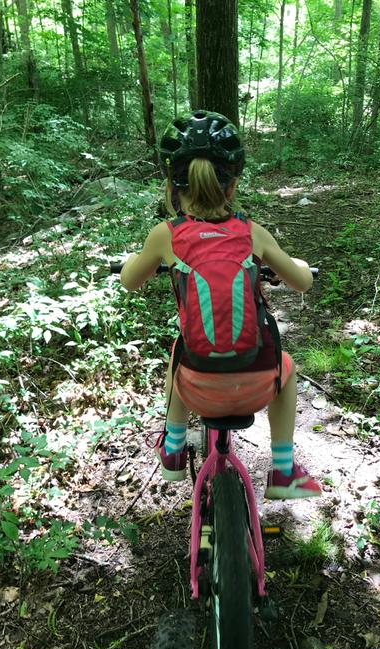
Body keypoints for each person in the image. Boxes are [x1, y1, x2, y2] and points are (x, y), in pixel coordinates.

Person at [120, 110, 321, 499]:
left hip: (198, 388)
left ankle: (174, 449)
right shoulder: (252, 234)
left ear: (174, 187)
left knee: (181, 350)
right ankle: (283, 470)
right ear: (232, 187)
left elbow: (130, 281)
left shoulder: (165, 236)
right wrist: (291, 265)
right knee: (289, 369)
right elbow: (303, 282)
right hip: (258, 384)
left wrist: (137, 258)